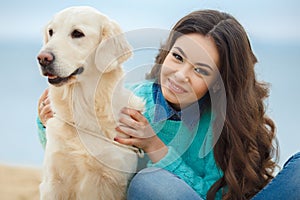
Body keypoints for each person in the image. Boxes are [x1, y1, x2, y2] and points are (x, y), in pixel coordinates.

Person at [37, 9, 300, 200]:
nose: (180, 75)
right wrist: (47, 120)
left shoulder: (222, 124)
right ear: (166, 54)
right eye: (177, 57)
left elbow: (214, 193)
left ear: (218, 83)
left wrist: (154, 146)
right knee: (150, 185)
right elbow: (75, 157)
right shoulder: (130, 101)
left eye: (200, 70)